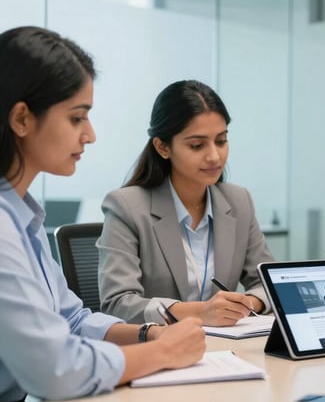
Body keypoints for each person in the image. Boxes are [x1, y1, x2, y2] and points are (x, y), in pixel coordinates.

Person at [0, 26, 205, 402]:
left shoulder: (21, 216)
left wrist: (149, 334)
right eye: (77, 118)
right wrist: (162, 354)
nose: (90, 135)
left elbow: (73, 321)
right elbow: (53, 370)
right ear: (22, 119)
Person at [97, 80, 275, 326]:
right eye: (197, 145)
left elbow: (270, 283)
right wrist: (199, 312)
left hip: (226, 350)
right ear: (162, 147)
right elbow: (118, 303)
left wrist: (245, 304)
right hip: (158, 349)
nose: (214, 156)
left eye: (221, 141)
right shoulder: (127, 207)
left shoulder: (238, 201)